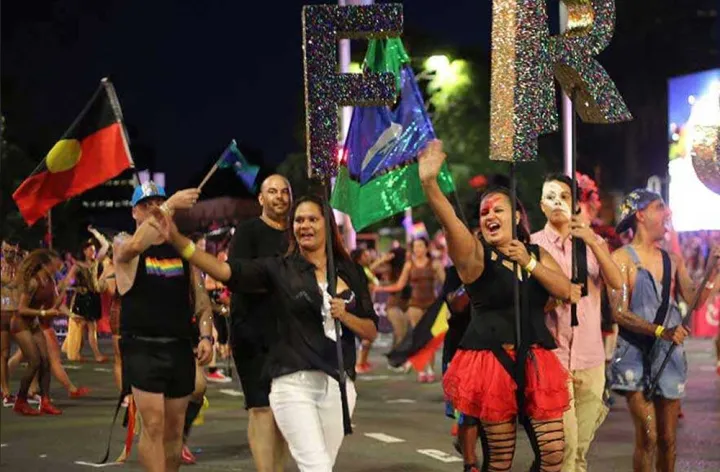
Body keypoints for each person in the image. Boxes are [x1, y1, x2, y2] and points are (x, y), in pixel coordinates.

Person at [156, 194, 378, 472]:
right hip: (292, 383)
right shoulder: (279, 269)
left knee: (322, 466)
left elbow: (371, 331)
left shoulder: (351, 272)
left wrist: (345, 315)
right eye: (299, 220)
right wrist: (178, 241)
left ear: (327, 225)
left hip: (339, 386)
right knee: (317, 467)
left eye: (312, 219)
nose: (305, 225)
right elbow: (224, 270)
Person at [419, 140, 574, 472]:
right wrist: (430, 185)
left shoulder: (535, 254)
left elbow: (568, 291)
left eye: (497, 209)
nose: (489, 215)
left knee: (554, 455)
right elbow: (451, 225)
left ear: (516, 216)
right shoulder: (475, 255)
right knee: (501, 461)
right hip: (492, 365)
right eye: (484, 212)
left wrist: (529, 264)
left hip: (536, 360)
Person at [608, 189, 719, 472]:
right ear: (640, 215)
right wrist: (661, 331)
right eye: (661, 207)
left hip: (668, 357)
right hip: (633, 353)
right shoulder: (621, 259)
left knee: (668, 439)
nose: (668, 214)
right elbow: (618, 313)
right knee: (648, 437)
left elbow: (694, 302)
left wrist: (711, 269)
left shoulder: (673, 260)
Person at [112, 181, 211, 472]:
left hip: (178, 347)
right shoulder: (123, 243)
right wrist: (168, 206)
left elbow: (200, 295)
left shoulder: (179, 248)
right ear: (134, 213)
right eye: (146, 205)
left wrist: (205, 333)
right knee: (153, 426)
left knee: (174, 431)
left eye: (158, 203)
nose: (154, 209)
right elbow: (132, 247)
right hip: (143, 346)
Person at [531, 174, 623, 472]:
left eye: (565, 196)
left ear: (575, 204)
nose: (558, 202)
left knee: (580, 451)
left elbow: (616, 283)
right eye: (551, 196)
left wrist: (594, 243)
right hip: (552, 358)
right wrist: (556, 297)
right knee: (565, 448)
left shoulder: (592, 242)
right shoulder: (532, 245)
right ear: (542, 205)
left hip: (591, 358)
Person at [227, 174, 292, 472]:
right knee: (261, 407)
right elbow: (238, 276)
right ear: (261, 199)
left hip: (291, 336)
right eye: (272, 192)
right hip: (251, 332)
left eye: (285, 192)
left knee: (286, 411)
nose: (279, 197)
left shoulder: (299, 232)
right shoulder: (248, 231)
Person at [375, 237, 446, 382]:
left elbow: (445, 283)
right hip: (414, 305)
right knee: (418, 338)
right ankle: (421, 370)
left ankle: (430, 368)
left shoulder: (435, 264)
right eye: (415, 246)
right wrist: (380, 288)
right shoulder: (409, 265)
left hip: (431, 303)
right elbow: (399, 285)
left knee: (429, 339)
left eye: (420, 246)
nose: (418, 249)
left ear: (426, 248)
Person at [11, 249, 66, 415]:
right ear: (45, 264)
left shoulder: (50, 279)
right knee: (34, 361)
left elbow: (54, 304)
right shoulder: (34, 282)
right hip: (20, 324)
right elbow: (21, 309)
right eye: (54, 263)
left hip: (33, 323)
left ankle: (45, 401)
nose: (57, 266)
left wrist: (66, 288)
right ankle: (20, 401)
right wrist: (43, 314)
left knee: (45, 361)